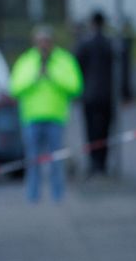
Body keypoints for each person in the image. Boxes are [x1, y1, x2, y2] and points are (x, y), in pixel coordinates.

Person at [9, 26, 83, 203]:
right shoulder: (26, 61)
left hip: (56, 116)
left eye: (46, 41)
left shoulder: (64, 60)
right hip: (31, 117)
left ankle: (58, 194)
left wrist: (52, 75)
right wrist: (35, 77)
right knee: (32, 159)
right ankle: (33, 195)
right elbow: (15, 88)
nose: (43, 45)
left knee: (56, 159)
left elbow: (75, 86)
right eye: (40, 41)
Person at [75, 11, 113, 176]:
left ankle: (93, 162)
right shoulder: (110, 43)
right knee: (105, 130)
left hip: (89, 95)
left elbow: (77, 68)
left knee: (91, 130)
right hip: (107, 94)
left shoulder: (84, 44)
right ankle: (102, 164)